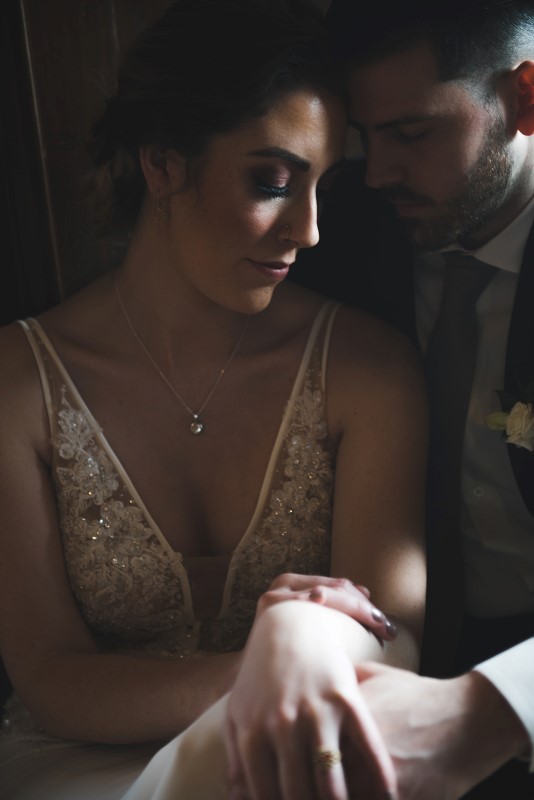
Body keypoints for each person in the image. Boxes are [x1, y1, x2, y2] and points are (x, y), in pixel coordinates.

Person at [0, 0, 427, 798]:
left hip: (305, 746)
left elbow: (395, 643)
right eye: (272, 181)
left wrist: (305, 656)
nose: (308, 231)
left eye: (322, 188)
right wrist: (273, 661)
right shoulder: (18, 381)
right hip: (73, 764)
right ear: (162, 163)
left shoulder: (366, 368)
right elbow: (48, 678)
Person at [290, 0, 534, 796]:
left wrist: (500, 706)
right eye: (364, 138)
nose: (378, 170)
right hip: (386, 666)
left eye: (411, 134)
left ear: (525, 99)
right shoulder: (336, 235)